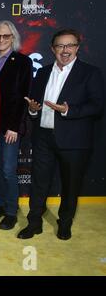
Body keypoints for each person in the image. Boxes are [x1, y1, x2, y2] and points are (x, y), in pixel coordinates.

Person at [18, 29, 105, 240]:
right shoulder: (43, 72)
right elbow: (34, 104)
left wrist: (68, 110)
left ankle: (65, 224)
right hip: (43, 138)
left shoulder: (90, 73)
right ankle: (34, 223)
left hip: (74, 141)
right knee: (38, 182)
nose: (65, 50)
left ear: (77, 47)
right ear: (52, 49)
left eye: (70, 46)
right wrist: (33, 109)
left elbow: (97, 106)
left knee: (70, 185)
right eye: (60, 46)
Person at [0, 20, 33, 230]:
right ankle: (0, 205)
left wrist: (15, 127)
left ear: (13, 38)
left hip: (10, 127)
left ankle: (11, 212)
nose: (2, 40)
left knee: (7, 169)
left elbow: (24, 97)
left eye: (6, 36)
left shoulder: (23, 62)